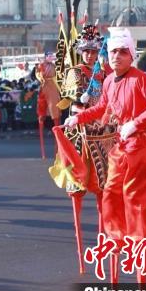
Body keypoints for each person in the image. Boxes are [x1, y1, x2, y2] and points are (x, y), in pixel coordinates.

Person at [65, 27, 146, 284]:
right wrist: (78, 116)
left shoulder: (140, 78)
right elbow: (102, 108)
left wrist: (136, 123)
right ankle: (118, 238)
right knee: (110, 190)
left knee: (134, 197)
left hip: (144, 145)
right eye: (113, 52)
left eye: (123, 52)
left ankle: (139, 244)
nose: (116, 56)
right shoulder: (109, 80)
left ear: (131, 56)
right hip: (124, 144)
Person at [58, 24, 118, 273]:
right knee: (78, 187)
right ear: (81, 52)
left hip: (102, 134)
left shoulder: (104, 73)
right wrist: (81, 100)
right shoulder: (75, 72)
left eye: (94, 51)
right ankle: (81, 251)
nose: (91, 55)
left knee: (106, 190)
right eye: (87, 52)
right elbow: (72, 101)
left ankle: (106, 242)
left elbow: (109, 103)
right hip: (80, 134)